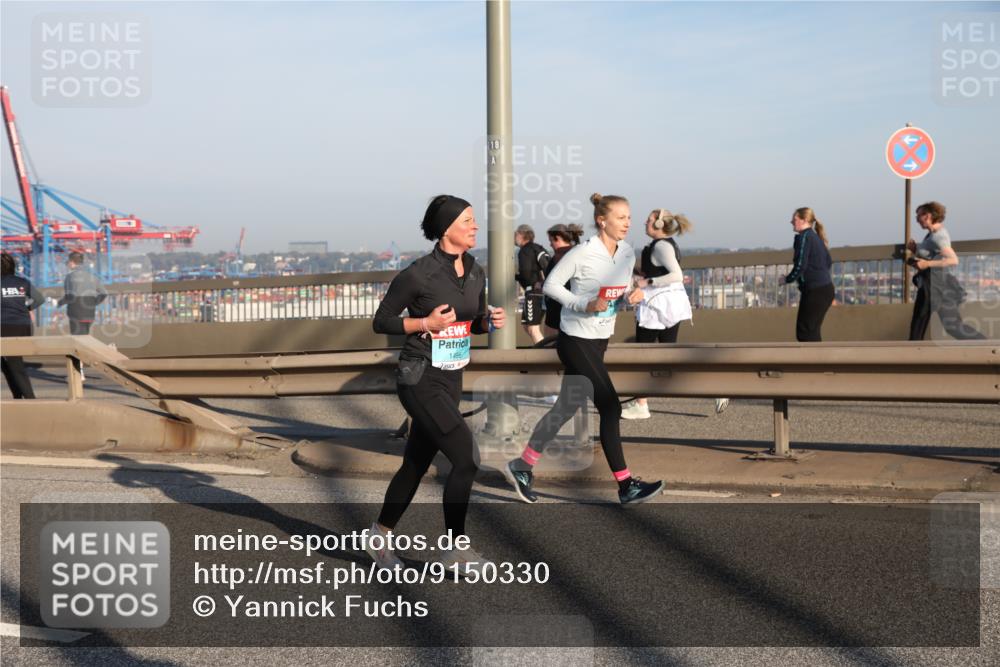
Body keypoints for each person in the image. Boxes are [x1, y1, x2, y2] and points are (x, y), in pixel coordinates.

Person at [367, 194, 507, 572]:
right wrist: (424, 324)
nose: (475, 226)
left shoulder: (476, 270)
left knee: (415, 464)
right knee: (466, 459)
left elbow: (471, 320)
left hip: (452, 377)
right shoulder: (420, 274)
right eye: (467, 221)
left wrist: (487, 322)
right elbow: (381, 321)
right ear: (447, 229)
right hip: (420, 379)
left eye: (474, 220)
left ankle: (378, 537)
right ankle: (455, 549)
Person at [504, 193, 664, 505]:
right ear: (602, 221)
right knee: (611, 407)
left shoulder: (628, 253)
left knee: (564, 407)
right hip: (575, 340)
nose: (627, 223)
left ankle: (522, 466)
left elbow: (613, 294)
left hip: (599, 340)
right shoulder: (582, 253)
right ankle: (626, 485)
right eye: (621, 218)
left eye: (629, 218)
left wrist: (628, 297)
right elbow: (551, 286)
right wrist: (584, 303)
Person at [621, 208, 730, 418]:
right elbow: (659, 273)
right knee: (671, 355)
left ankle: (641, 405)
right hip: (665, 304)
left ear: (659, 225)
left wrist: (646, 282)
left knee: (641, 354)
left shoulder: (661, 246)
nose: (644, 222)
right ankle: (716, 388)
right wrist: (638, 277)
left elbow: (676, 275)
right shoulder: (662, 245)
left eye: (648, 220)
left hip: (657, 306)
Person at [907, 201, 985, 341]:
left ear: (928, 215)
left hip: (933, 285)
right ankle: (986, 345)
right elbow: (932, 254)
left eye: (918, 215)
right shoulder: (932, 234)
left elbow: (953, 260)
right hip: (939, 284)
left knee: (919, 324)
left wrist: (927, 264)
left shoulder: (939, 236)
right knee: (953, 326)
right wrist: (916, 251)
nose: (917, 219)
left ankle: (912, 355)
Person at [784, 207, 833, 342]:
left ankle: (814, 362)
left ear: (804, 220)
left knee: (804, 332)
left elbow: (800, 265)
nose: (791, 222)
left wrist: (786, 279)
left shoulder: (804, 237)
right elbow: (828, 262)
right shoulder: (815, 237)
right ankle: (819, 361)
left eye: (794, 219)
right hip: (825, 289)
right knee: (812, 331)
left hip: (815, 291)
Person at [1, 252, 43, 399]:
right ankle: (18, 397)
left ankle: (29, 399)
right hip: (23, 327)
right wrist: (26, 308)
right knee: (8, 364)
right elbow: (39, 299)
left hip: (4, 328)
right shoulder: (22, 282)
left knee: (14, 366)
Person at [542, 223, 584, 339]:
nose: (550, 244)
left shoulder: (557, 258)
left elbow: (551, 285)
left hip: (556, 311)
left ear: (558, 238)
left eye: (551, 240)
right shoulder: (579, 253)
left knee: (551, 345)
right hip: (576, 312)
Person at [514, 224, 550, 345]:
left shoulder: (525, 251)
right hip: (543, 293)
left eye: (516, 234)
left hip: (534, 293)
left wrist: (513, 276)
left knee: (532, 327)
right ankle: (543, 349)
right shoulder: (538, 248)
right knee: (527, 326)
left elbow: (526, 274)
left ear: (522, 235)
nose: (514, 237)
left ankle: (543, 354)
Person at [58, 251, 108, 335]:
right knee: (86, 337)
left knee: (77, 339)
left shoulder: (69, 277)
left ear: (71, 262)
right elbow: (104, 293)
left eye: (68, 262)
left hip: (75, 312)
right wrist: (93, 302)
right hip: (89, 312)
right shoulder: (92, 277)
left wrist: (60, 303)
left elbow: (69, 296)